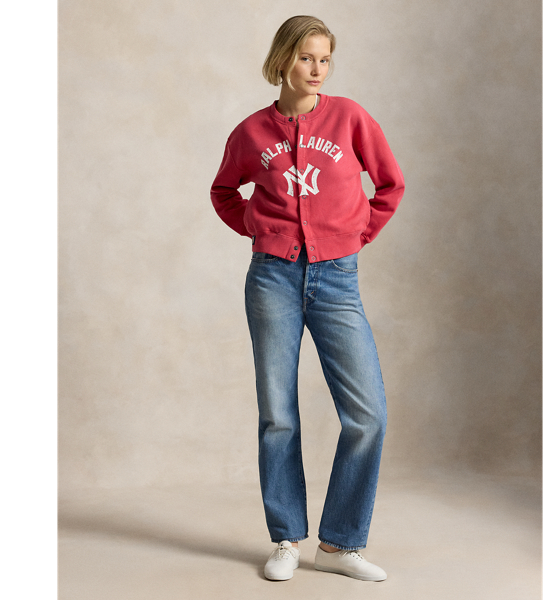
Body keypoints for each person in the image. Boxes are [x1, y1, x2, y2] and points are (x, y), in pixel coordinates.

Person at [210, 15, 405, 582]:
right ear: (282, 60)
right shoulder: (252, 132)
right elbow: (224, 191)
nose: (317, 69)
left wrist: (356, 236)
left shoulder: (350, 118)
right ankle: (286, 539)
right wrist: (259, 228)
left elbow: (389, 184)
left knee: (367, 414)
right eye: (305, 58)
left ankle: (340, 544)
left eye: (324, 59)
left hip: (337, 279)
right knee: (278, 414)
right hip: (272, 279)